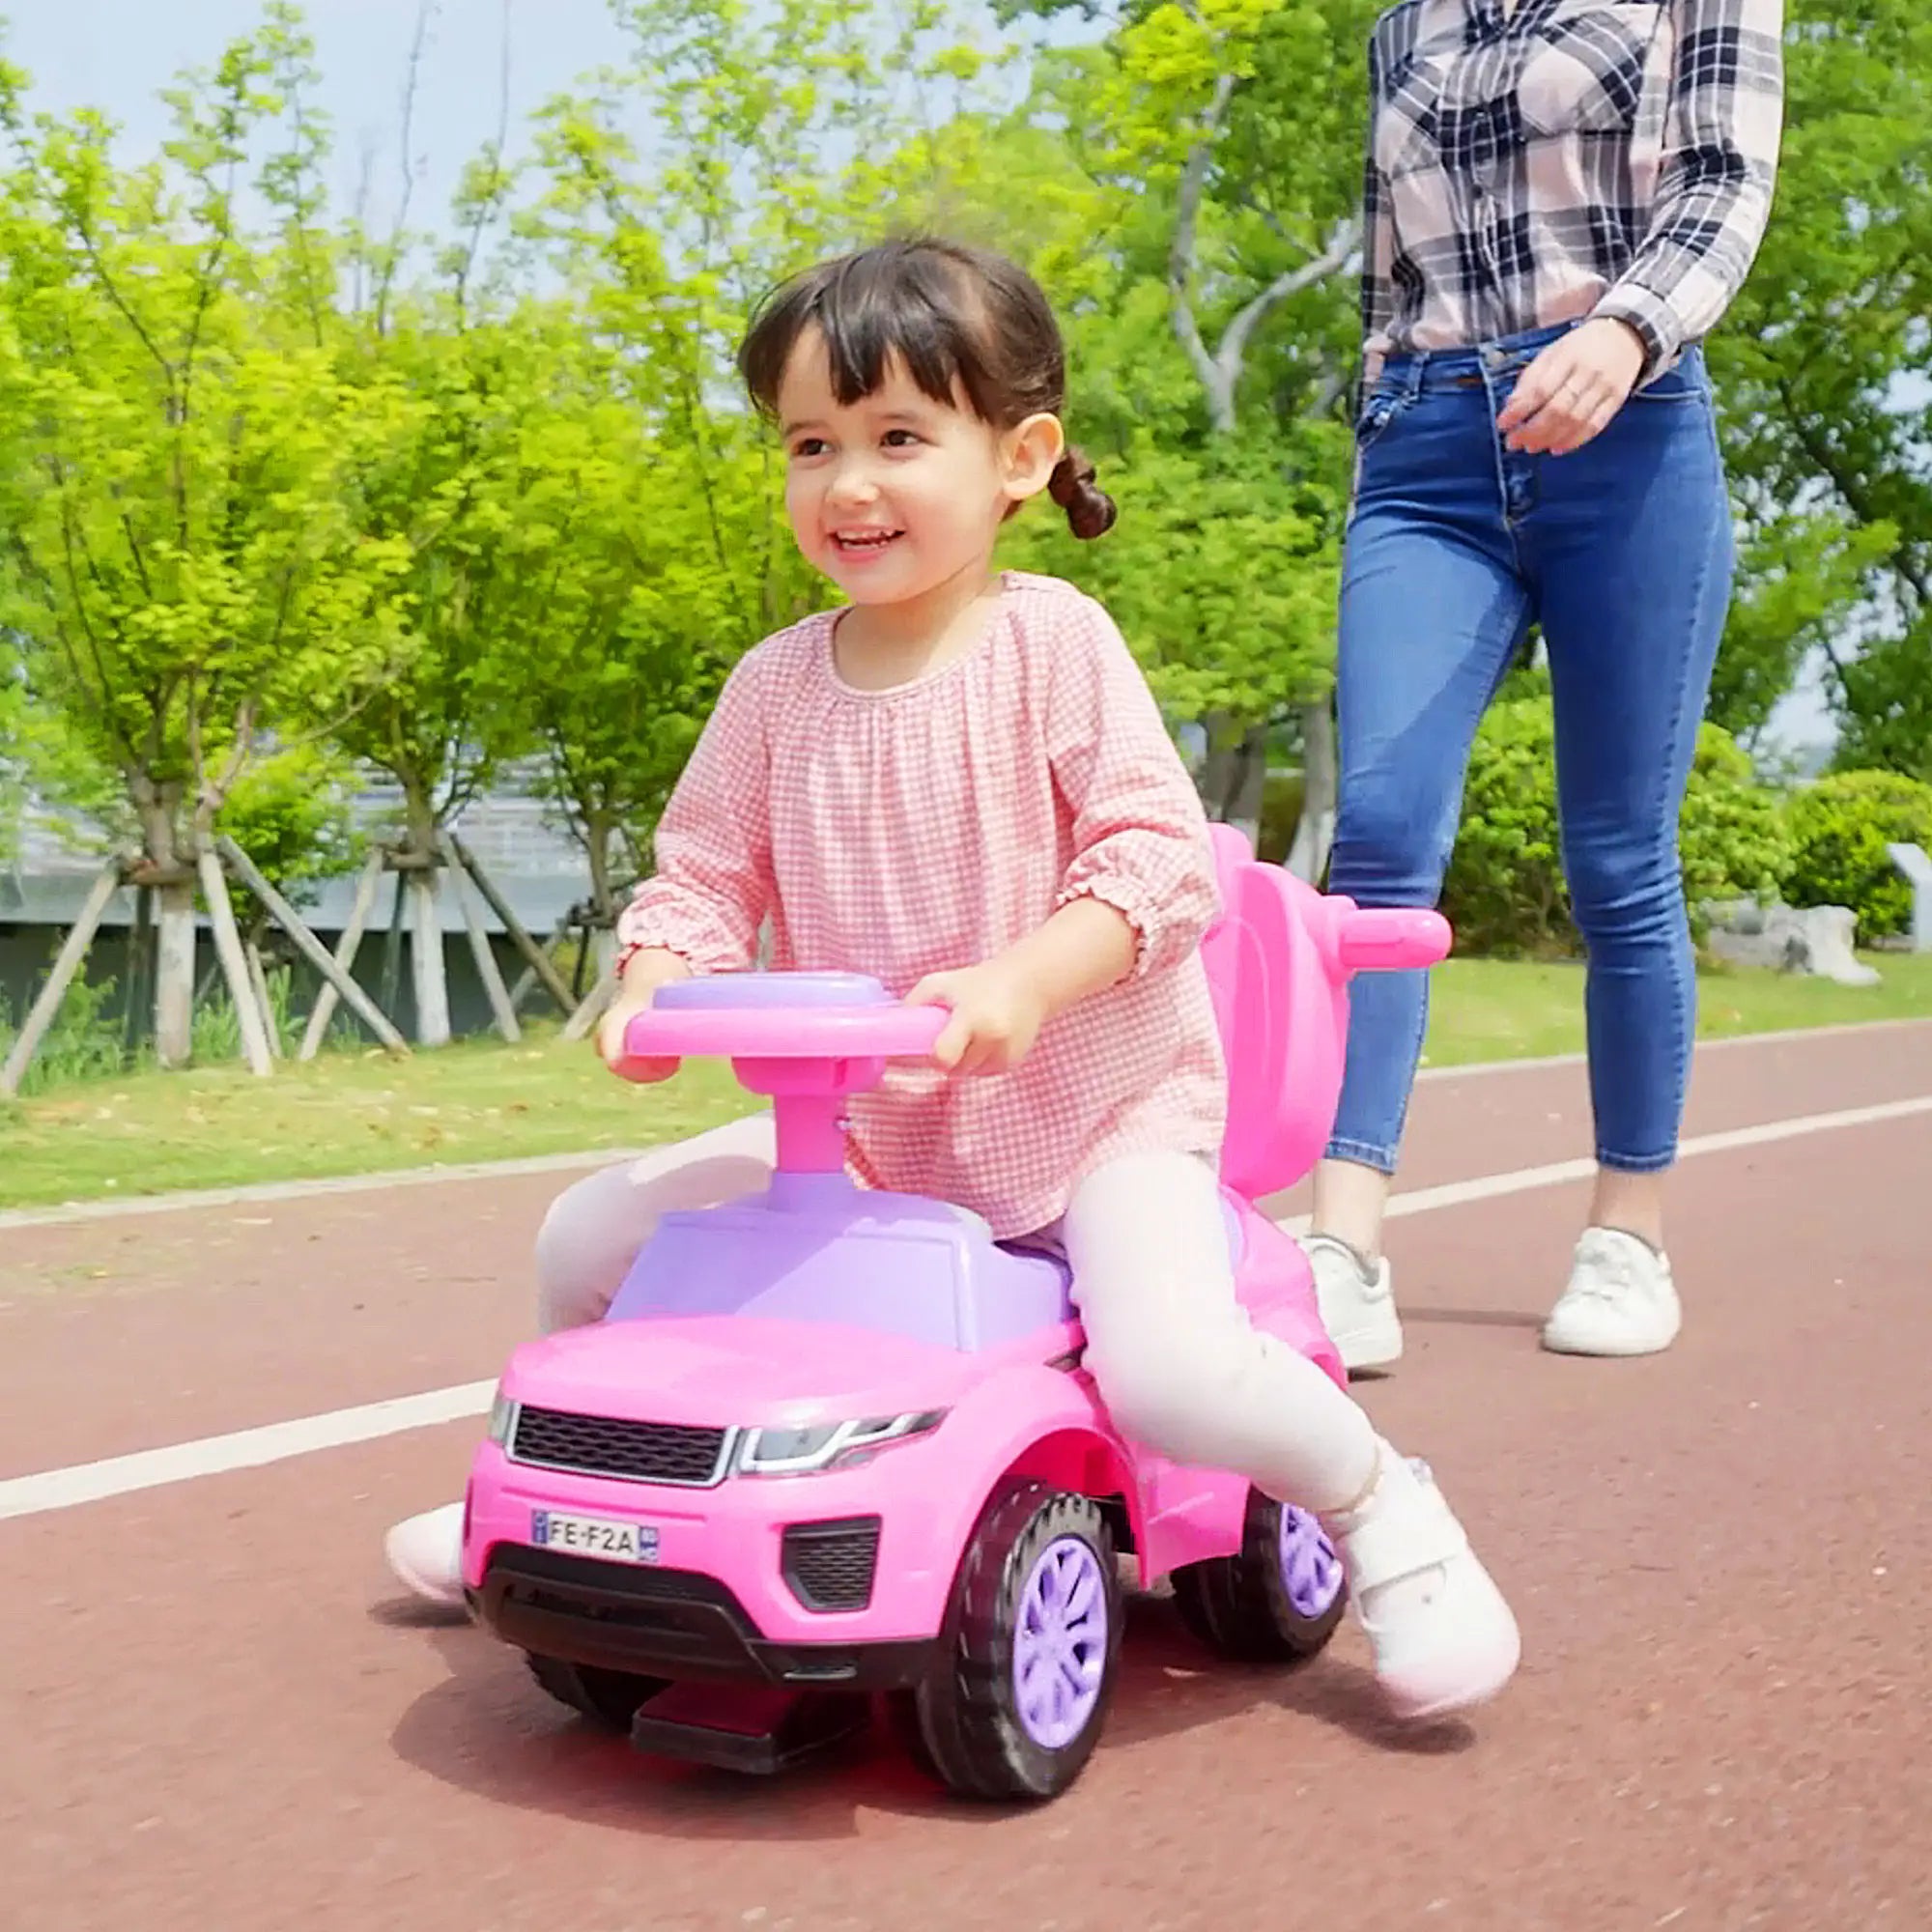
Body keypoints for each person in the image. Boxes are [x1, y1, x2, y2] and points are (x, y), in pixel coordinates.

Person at [384, 236, 1520, 1723]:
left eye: (898, 438)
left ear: (1019, 459)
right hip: (862, 1139)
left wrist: (1028, 980)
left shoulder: (1053, 645)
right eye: (811, 445)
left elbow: (1155, 858)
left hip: (1095, 1127)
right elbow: (704, 872)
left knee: (1171, 1370)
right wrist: (658, 977)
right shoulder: (773, 685)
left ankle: (1383, 1509)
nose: (848, 484)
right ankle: (584, 1486)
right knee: (590, 1230)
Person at [1303, 0, 1786, 1371]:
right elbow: (1386, 276)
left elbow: (1724, 181)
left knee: (1618, 857)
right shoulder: (1406, 25)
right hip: (1426, 452)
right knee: (1378, 836)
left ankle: (1627, 1236)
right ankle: (1341, 1244)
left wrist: (1626, 331)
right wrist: (1376, 450)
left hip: (1627, 426)